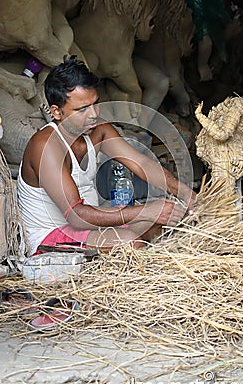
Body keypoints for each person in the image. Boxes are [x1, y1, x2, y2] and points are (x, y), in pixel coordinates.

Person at [17, 55, 196, 256]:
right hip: (50, 237)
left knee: (158, 224)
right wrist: (146, 210)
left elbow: (142, 164)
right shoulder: (46, 146)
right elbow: (76, 216)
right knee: (131, 244)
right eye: (82, 109)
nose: (93, 114)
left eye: (95, 103)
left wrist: (186, 194)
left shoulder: (98, 129)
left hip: (89, 227)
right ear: (57, 112)